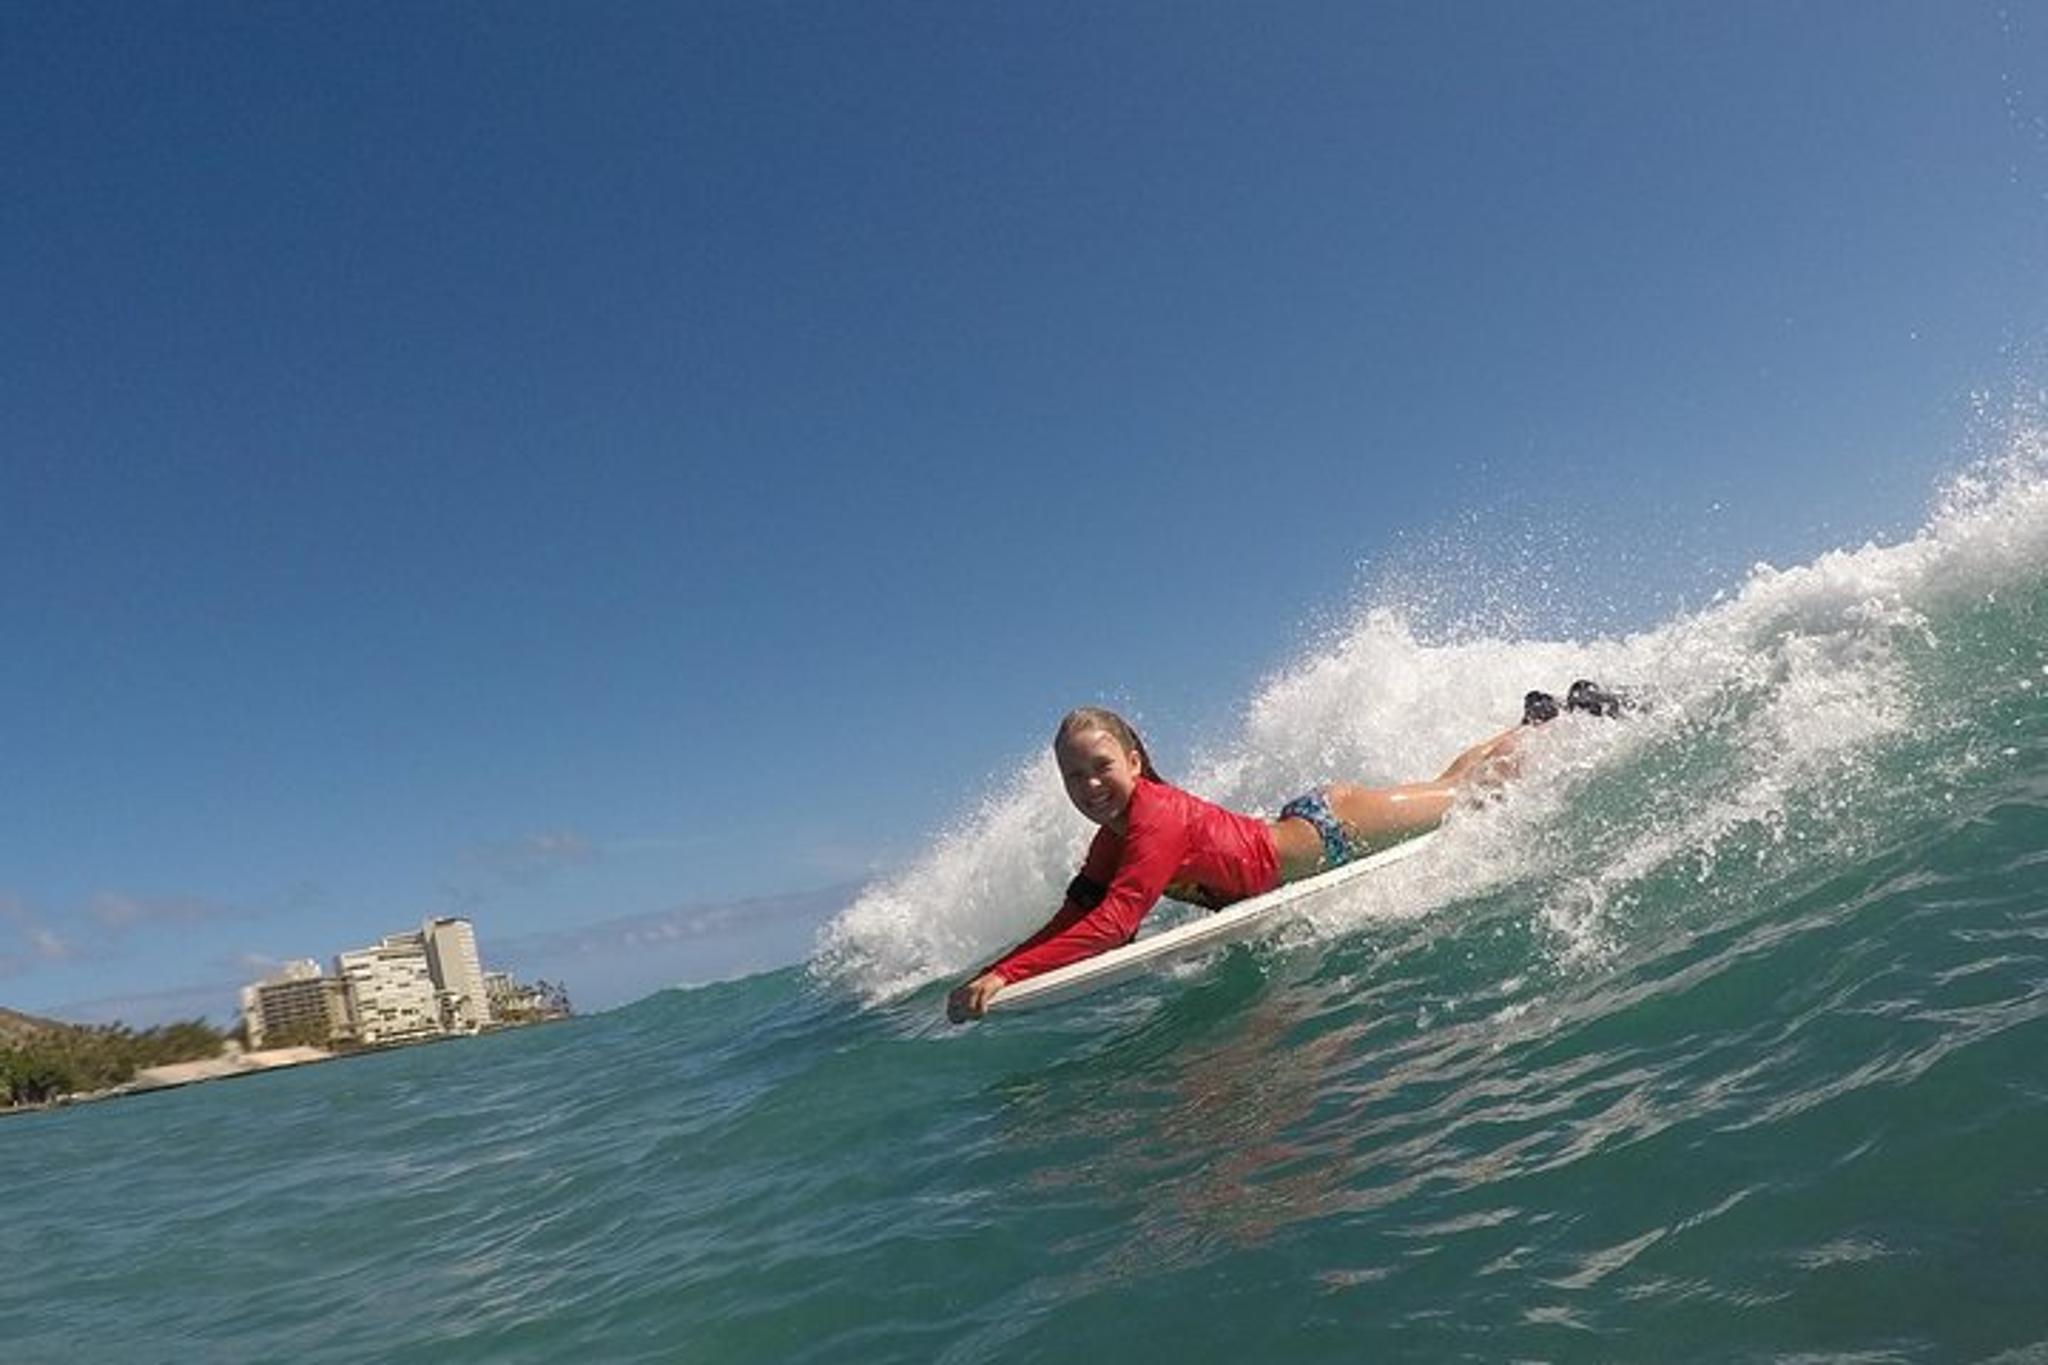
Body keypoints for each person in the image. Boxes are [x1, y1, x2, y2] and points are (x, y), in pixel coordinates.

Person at [945, 683, 1623, 1022]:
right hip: (1309, 822)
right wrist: (1002, 967)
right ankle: (1533, 721)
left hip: (1331, 831)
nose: (1089, 785)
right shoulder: (1111, 837)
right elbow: (1079, 910)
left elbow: (1117, 922)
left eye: (1100, 766)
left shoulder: (1154, 814)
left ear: (1132, 759)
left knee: (1473, 792)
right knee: (1453, 785)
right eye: (1073, 776)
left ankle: (1573, 721)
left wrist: (1008, 978)